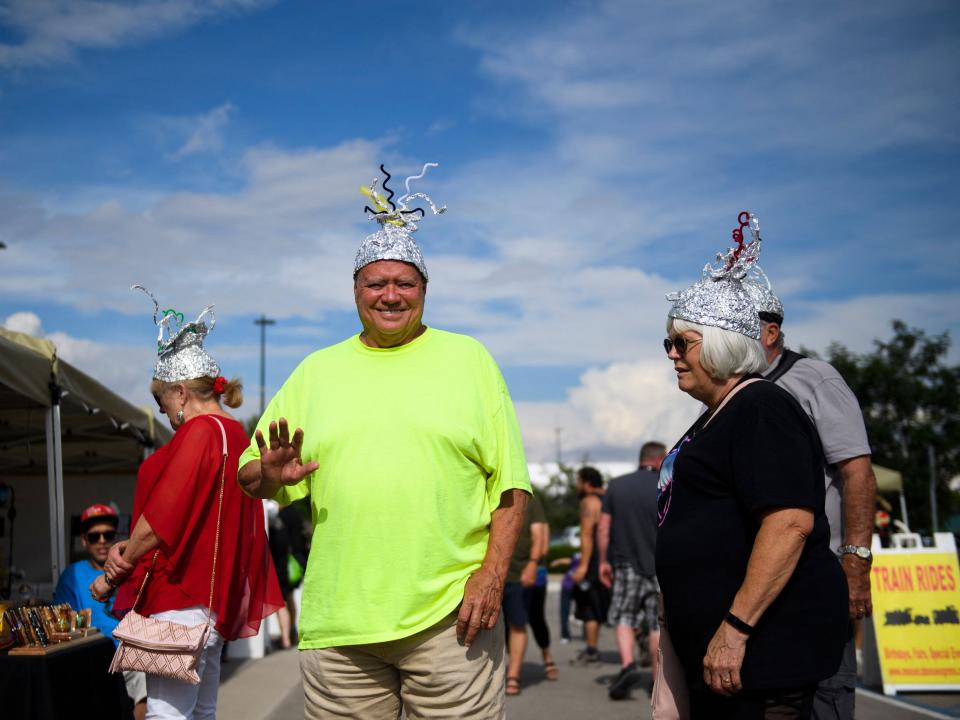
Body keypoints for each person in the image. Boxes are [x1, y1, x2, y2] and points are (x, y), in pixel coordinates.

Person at [237, 163, 531, 719]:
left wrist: (492, 577)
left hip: (451, 622)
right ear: (354, 290)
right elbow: (250, 476)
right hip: (342, 627)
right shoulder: (315, 372)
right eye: (377, 282)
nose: (390, 296)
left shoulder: (469, 360)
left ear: (424, 290)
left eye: (405, 283)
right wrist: (270, 477)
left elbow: (511, 484)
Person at [656, 212, 847, 718]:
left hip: (759, 657)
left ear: (720, 344)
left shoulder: (762, 407)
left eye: (683, 343)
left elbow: (788, 523)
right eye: (668, 343)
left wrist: (735, 628)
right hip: (722, 659)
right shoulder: (719, 414)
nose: (672, 355)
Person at [91, 289, 283, 720]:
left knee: (165, 713)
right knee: (201, 712)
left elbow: (162, 519)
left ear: (180, 392)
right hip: (212, 600)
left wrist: (114, 571)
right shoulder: (235, 435)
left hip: (179, 596)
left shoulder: (199, 433)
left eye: (163, 404)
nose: (165, 415)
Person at [743, 262, 877, 720]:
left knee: (825, 695)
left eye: (742, 326)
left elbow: (857, 472)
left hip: (819, 573)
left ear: (771, 331)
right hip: (765, 575)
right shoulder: (741, 389)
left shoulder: (815, 379)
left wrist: (855, 562)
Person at [54, 503, 147, 720]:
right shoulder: (73, 575)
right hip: (92, 655)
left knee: (146, 675)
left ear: (116, 536)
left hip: (131, 651)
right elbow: (62, 618)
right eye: (95, 537)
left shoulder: (131, 570)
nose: (103, 541)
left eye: (108, 534)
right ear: (84, 541)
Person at [599, 441, 665, 700]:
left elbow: (604, 528)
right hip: (661, 566)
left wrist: (603, 561)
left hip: (626, 564)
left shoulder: (616, 486)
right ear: (660, 460)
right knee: (656, 623)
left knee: (625, 618)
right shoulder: (666, 485)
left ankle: (627, 665)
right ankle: (657, 678)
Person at [502, 490, 554, 695]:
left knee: (528, 620)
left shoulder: (529, 497)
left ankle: (516, 673)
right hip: (499, 574)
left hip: (522, 574)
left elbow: (541, 536)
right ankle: (510, 665)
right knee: (506, 624)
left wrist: (532, 564)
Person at [569, 465, 609, 666]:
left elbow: (586, 535)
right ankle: (644, 642)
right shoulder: (610, 497)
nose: (577, 485)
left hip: (595, 562)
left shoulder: (589, 502)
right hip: (616, 559)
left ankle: (592, 650)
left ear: (586, 482)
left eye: (578, 481)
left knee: (589, 607)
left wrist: (582, 566)